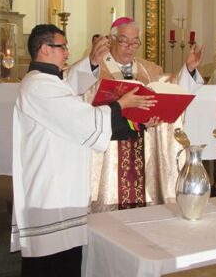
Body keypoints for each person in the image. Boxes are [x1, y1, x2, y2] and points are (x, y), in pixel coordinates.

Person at [10, 24, 155, 277]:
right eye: (62, 47)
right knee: (49, 265)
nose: (67, 52)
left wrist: (139, 125)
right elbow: (84, 119)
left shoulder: (49, 81)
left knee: (65, 260)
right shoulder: (38, 85)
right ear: (45, 49)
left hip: (61, 191)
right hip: (50, 195)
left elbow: (73, 95)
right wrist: (123, 105)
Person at [85, 17, 205, 212]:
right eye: (124, 41)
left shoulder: (149, 69)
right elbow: (82, 96)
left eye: (135, 42)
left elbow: (172, 88)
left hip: (142, 142)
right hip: (110, 149)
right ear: (111, 39)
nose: (130, 47)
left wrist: (189, 69)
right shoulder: (96, 68)